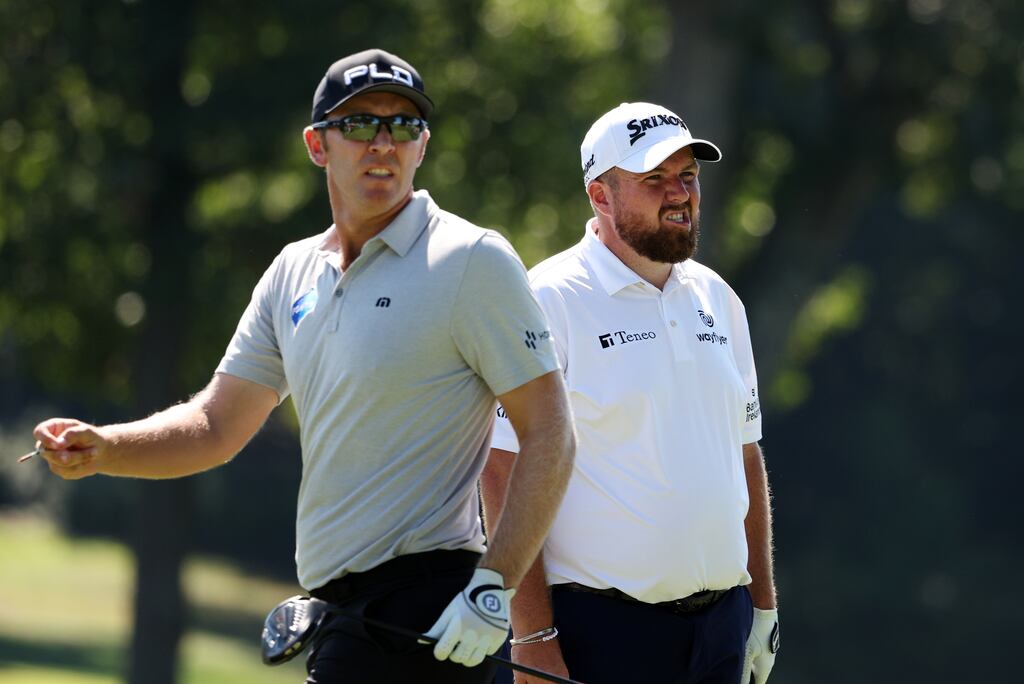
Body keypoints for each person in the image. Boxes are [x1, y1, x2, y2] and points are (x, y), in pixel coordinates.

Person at [32, 48, 575, 684]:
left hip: (432, 604)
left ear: (422, 146)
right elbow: (216, 425)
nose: (382, 143)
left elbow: (551, 435)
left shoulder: (471, 259)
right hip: (340, 614)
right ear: (318, 145)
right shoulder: (292, 271)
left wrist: (494, 589)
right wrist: (104, 448)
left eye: (402, 126)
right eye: (359, 125)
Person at [483, 102, 780, 684]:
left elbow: (745, 456)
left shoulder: (719, 299)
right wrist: (533, 639)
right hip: (601, 631)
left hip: (722, 625)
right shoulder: (548, 298)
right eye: (654, 179)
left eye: (688, 176)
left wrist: (763, 605)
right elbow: (499, 471)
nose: (679, 194)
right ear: (600, 196)